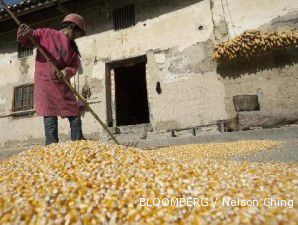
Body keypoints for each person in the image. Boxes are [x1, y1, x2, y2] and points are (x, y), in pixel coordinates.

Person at [17, 14, 86, 145]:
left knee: (75, 114)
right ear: (71, 27)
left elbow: (74, 67)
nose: (76, 37)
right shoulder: (47, 34)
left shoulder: (73, 50)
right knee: (50, 120)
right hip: (46, 83)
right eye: (77, 33)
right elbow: (28, 38)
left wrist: (65, 72)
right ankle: (52, 150)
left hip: (63, 85)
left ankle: (79, 145)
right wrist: (24, 32)